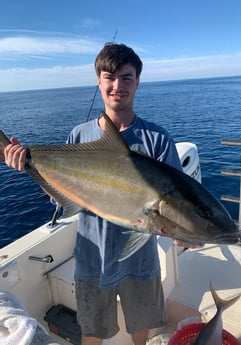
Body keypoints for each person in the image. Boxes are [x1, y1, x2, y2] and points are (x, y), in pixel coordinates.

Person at [4, 43, 190, 345]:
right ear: (99, 82)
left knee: (139, 330)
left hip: (140, 264)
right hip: (92, 262)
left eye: (127, 77)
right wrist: (27, 167)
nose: (118, 86)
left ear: (138, 81)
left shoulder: (157, 140)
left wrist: (186, 232)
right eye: (109, 77)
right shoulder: (79, 135)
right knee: (91, 332)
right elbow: (61, 196)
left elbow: (177, 203)